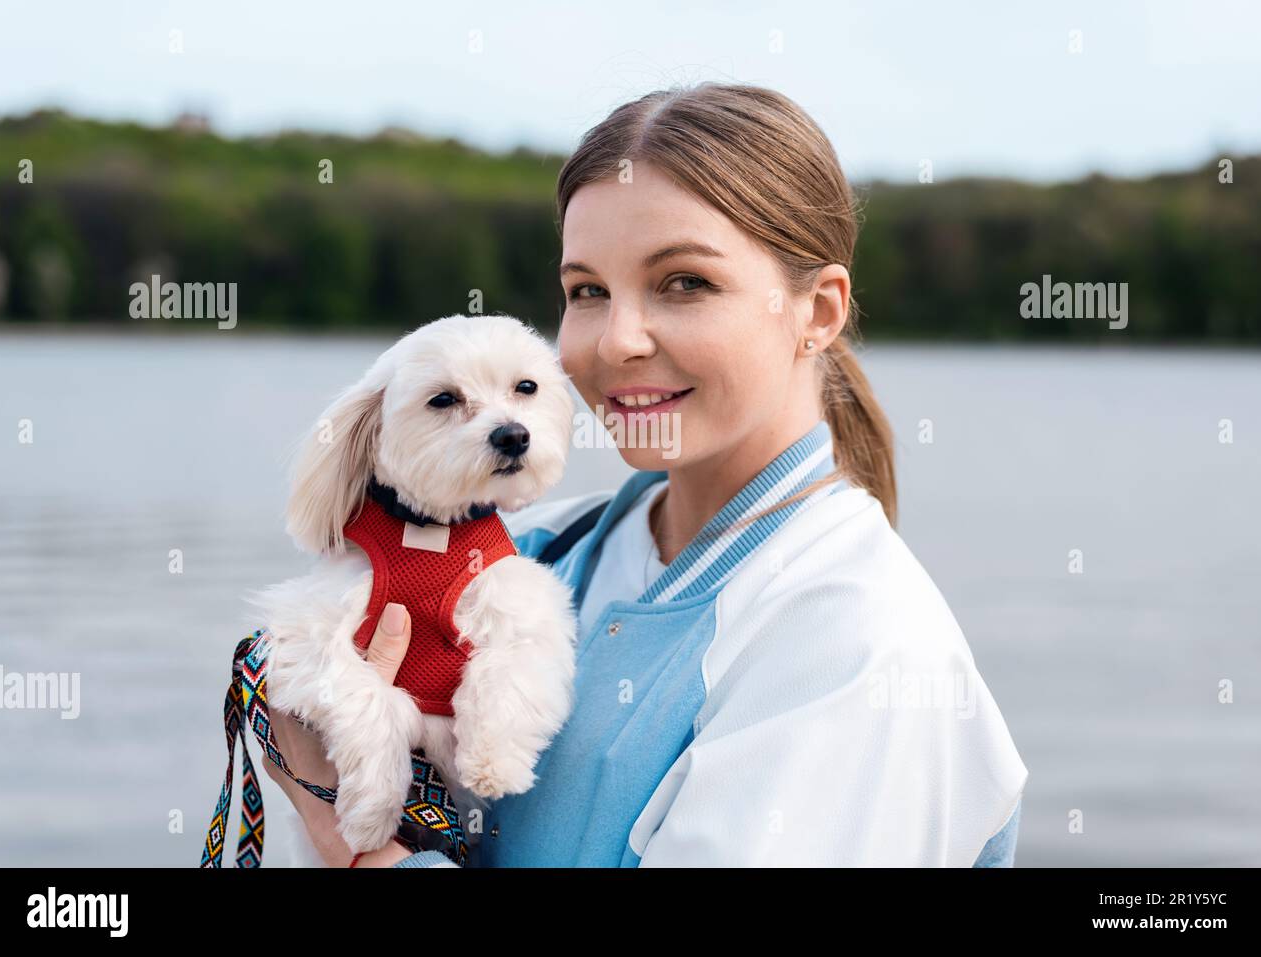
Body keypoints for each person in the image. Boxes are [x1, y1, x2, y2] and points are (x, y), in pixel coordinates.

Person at [267, 81, 1028, 867]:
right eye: (587, 291)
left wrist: (359, 847)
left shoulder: (862, 650)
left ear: (820, 311)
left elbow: (343, 817)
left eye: (685, 282)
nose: (618, 340)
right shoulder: (533, 544)